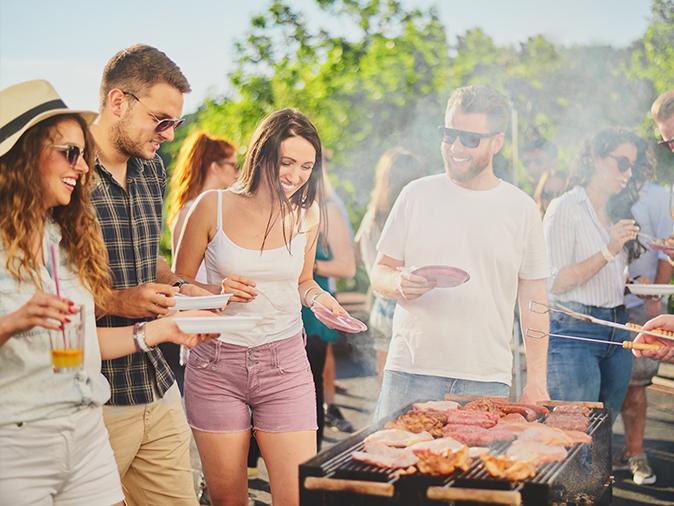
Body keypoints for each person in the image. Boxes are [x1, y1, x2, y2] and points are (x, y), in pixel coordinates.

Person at [0, 80, 213, 506]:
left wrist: (166, 326)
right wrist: (14, 321)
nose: (82, 167)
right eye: (69, 153)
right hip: (19, 441)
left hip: (85, 427)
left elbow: (84, 344)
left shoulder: (63, 239)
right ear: (23, 155)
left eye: (83, 155)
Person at [174, 108, 349, 506]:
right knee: (229, 500)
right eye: (287, 162)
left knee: (294, 498)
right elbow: (177, 283)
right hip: (216, 364)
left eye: (306, 166)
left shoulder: (308, 214)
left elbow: (303, 282)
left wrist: (322, 300)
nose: (296, 175)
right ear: (262, 155)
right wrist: (215, 289)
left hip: (285, 363)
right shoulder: (211, 205)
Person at [370, 85, 551, 420]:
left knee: (476, 472)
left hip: (485, 377)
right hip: (410, 370)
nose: (455, 147)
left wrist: (537, 379)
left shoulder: (521, 208)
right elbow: (379, 271)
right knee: (390, 468)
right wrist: (396, 283)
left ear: (497, 142)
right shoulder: (416, 194)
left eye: (470, 139)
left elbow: (534, 299)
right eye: (448, 135)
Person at [88, 45, 214, 506]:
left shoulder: (151, 168)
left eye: (175, 123)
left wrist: (187, 288)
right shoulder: (68, 174)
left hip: (157, 386)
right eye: (161, 119)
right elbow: (46, 287)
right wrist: (120, 301)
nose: (168, 133)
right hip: (95, 396)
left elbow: (148, 259)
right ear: (118, 102)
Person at [543, 127, 641, 423]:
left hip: (618, 327)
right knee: (575, 435)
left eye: (632, 166)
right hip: (575, 329)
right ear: (597, 159)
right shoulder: (565, 207)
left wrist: (634, 284)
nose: (628, 172)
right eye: (622, 162)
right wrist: (609, 250)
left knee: (603, 434)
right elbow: (556, 283)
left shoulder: (618, 210)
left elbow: (607, 276)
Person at [615, 138, 673, 485]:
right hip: (609, 302)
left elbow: (666, 253)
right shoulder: (606, 194)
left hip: (643, 306)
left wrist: (653, 297)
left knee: (636, 387)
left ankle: (636, 454)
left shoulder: (657, 195)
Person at [165, 130, 239, 390]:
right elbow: (181, 276)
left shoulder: (202, 208)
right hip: (207, 324)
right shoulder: (194, 211)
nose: (238, 173)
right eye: (234, 165)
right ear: (215, 167)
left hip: (216, 320)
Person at [355, 147, 425, 385]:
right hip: (408, 307)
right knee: (417, 384)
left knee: (387, 381)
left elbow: (362, 259)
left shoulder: (371, 217)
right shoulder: (411, 216)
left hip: (381, 307)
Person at [303, 163, 356, 448]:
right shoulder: (268, 206)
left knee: (310, 393)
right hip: (273, 315)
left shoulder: (327, 208)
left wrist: (306, 266)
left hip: (311, 316)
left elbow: (347, 266)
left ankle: (307, 472)